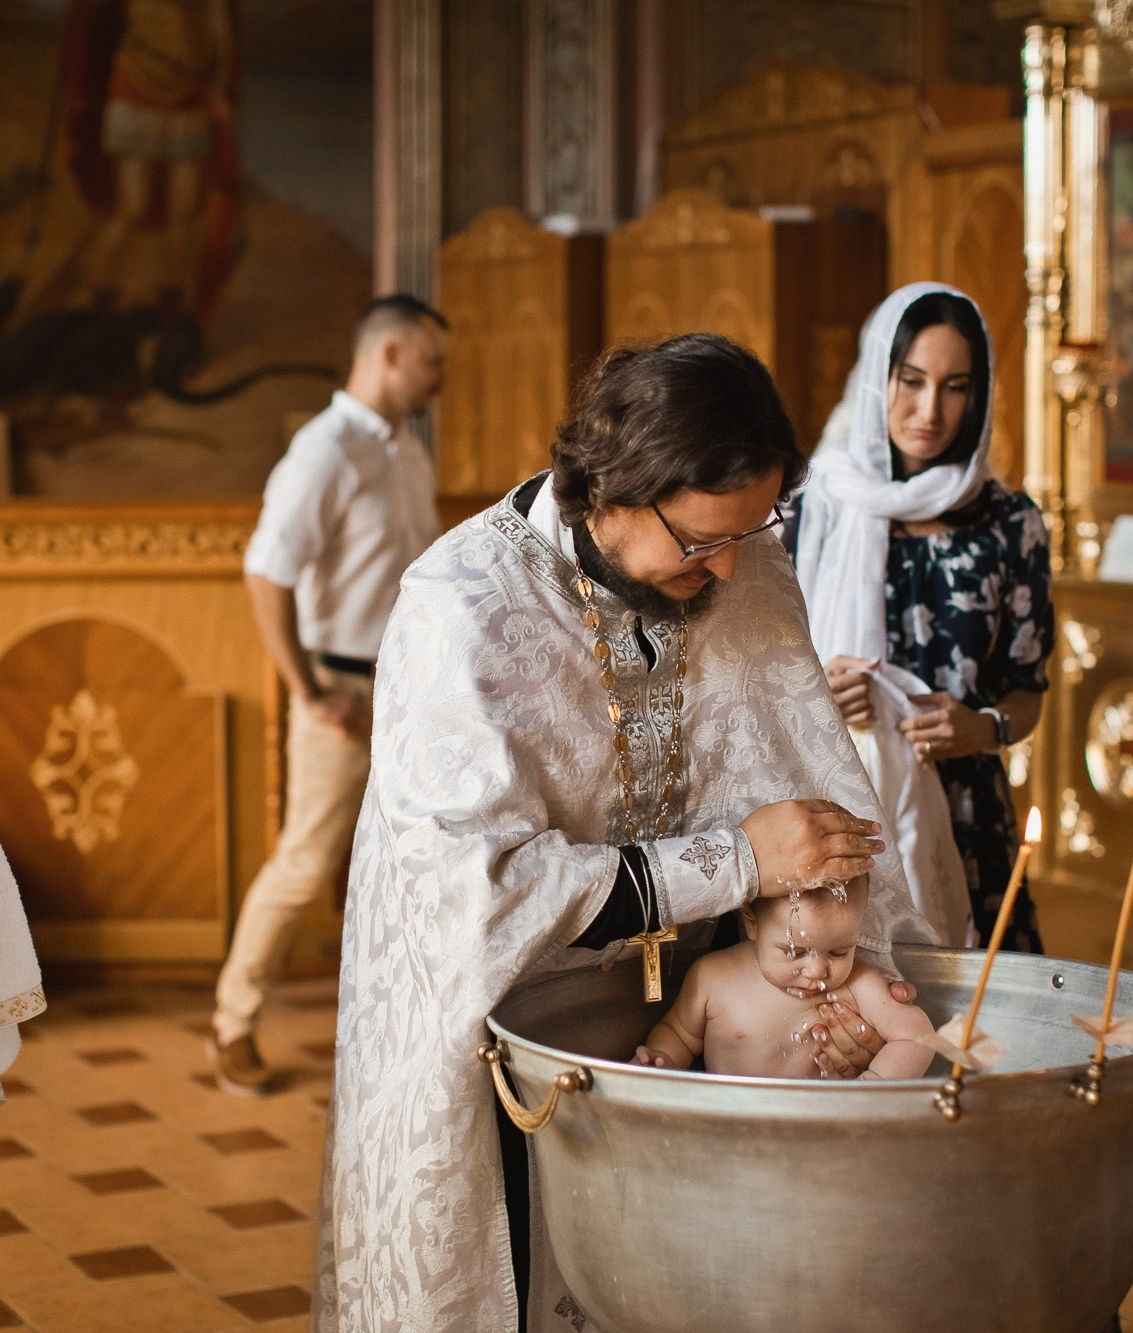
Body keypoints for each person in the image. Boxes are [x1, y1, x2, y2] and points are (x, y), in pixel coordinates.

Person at [315, 334, 937, 1333]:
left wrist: (836, 977)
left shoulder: (743, 563)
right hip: (503, 1043)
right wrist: (736, 859)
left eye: (751, 528)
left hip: (697, 1038)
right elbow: (481, 894)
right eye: (697, 541)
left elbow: (808, 798)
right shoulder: (461, 605)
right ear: (607, 489)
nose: (727, 564)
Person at [208, 293, 446, 1093]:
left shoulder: (407, 452)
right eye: (431, 360)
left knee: (415, 857)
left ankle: (406, 1024)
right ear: (387, 354)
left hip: (409, 688)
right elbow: (264, 571)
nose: (438, 377)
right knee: (308, 861)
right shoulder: (326, 450)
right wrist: (308, 694)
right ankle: (230, 1021)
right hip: (340, 690)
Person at [793, 282, 1056, 954]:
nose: (929, 410)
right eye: (910, 380)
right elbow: (756, 673)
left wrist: (982, 727)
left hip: (969, 817)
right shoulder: (809, 509)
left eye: (955, 386)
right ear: (876, 374)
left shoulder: (1010, 524)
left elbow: (1027, 690)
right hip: (846, 815)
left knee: (978, 1036)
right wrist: (818, 691)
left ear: (980, 395)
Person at [632, 876, 936, 1079]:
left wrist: (872, 1087)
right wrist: (661, 1060)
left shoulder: (858, 983)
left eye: (840, 951)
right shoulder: (712, 977)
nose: (818, 971)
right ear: (752, 923)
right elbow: (679, 1035)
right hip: (727, 1126)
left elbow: (917, 1036)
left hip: (823, 1134)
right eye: (794, 952)